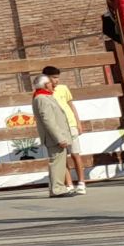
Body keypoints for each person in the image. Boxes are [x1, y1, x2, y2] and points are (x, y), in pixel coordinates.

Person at [41, 65, 87, 194]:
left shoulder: (63, 89)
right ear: (46, 78)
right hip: (58, 127)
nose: (57, 80)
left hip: (71, 125)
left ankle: (81, 183)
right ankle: (69, 184)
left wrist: (78, 123)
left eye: (57, 77)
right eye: (54, 77)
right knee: (62, 157)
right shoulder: (44, 93)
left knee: (75, 154)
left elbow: (71, 106)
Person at [32, 74, 78, 196]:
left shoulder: (46, 96)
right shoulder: (41, 98)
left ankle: (56, 188)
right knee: (57, 163)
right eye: (50, 82)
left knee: (59, 162)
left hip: (56, 137)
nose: (53, 84)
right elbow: (48, 120)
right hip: (54, 138)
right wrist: (59, 138)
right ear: (45, 85)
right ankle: (57, 189)